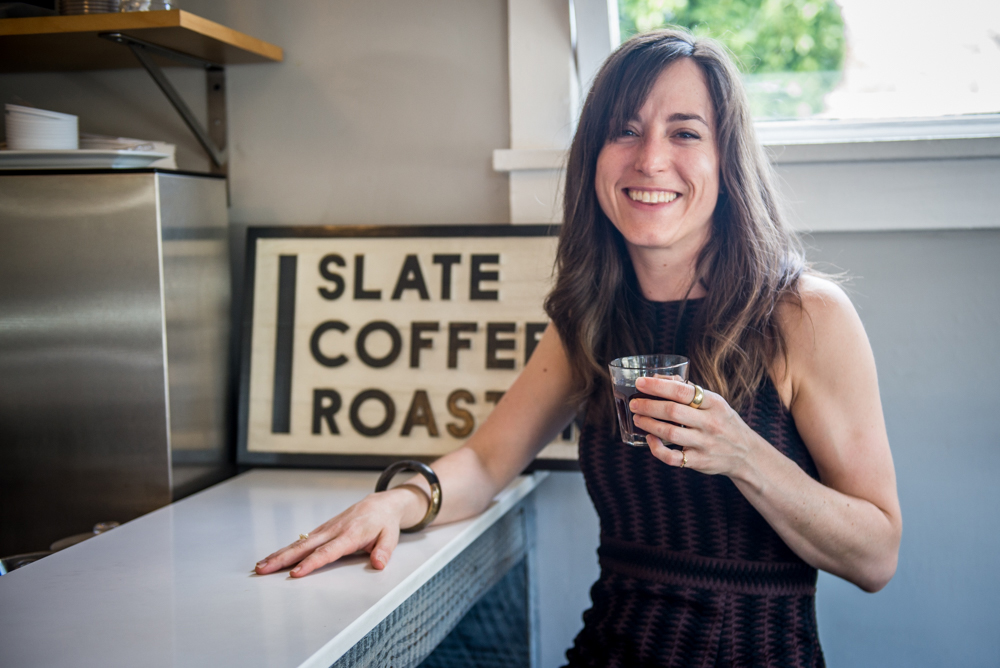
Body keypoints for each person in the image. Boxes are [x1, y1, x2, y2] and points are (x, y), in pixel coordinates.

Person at [255, 29, 901, 667]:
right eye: (625, 130)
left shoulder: (805, 316)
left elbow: (876, 558)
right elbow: (486, 463)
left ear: (727, 160)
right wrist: (397, 501)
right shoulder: (591, 316)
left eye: (684, 133)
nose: (650, 159)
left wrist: (745, 456)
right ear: (594, 156)